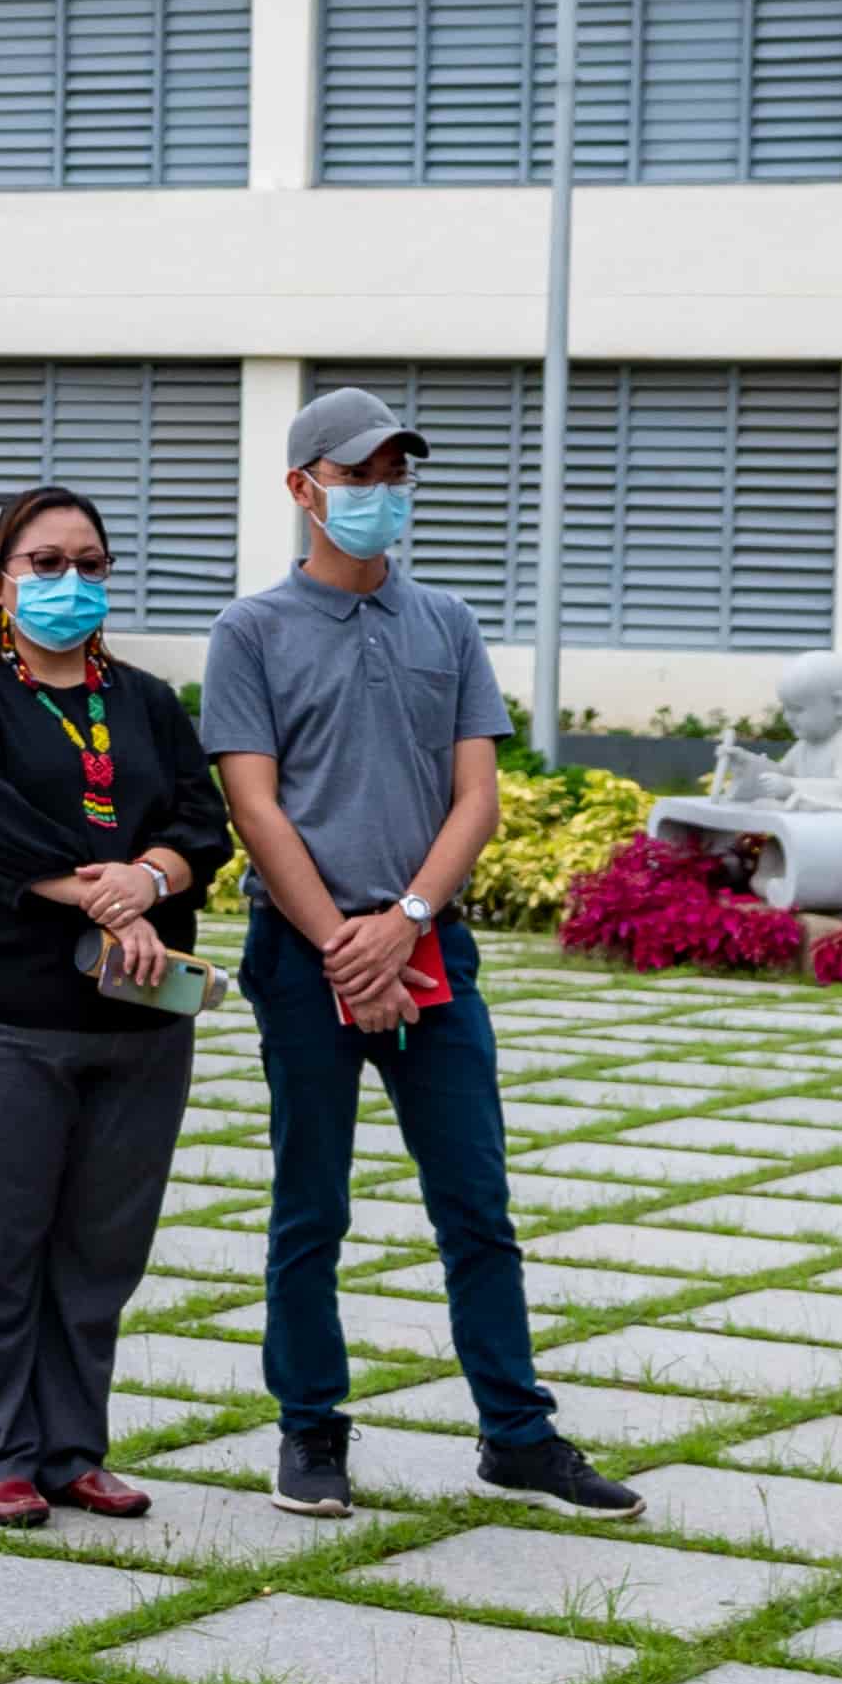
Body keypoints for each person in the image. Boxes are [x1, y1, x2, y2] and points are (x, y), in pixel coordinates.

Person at [206, 388, 635, 1524]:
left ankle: (518, 1434)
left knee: (476, 1204)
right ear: (303, 490)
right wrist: (343, 945)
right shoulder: (251, 631)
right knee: (313, 1205)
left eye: (397, 475)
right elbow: (255, 807)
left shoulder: (445, 621)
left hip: (427, 945)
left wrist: (403, 920)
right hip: (305, 958)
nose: (381, 496)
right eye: (358, 477)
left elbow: (477, 795)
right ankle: (310, 1431)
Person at [0, 484, 226, 1530]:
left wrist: (152, 881)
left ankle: (73, 1448)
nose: (69, 582)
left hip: (133, 1014)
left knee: (101, 1247)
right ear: (1, 578)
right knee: (0, 1242)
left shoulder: (141, 699)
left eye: (90, 561)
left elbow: (199, 819)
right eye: (46, 563)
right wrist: (100, 889)